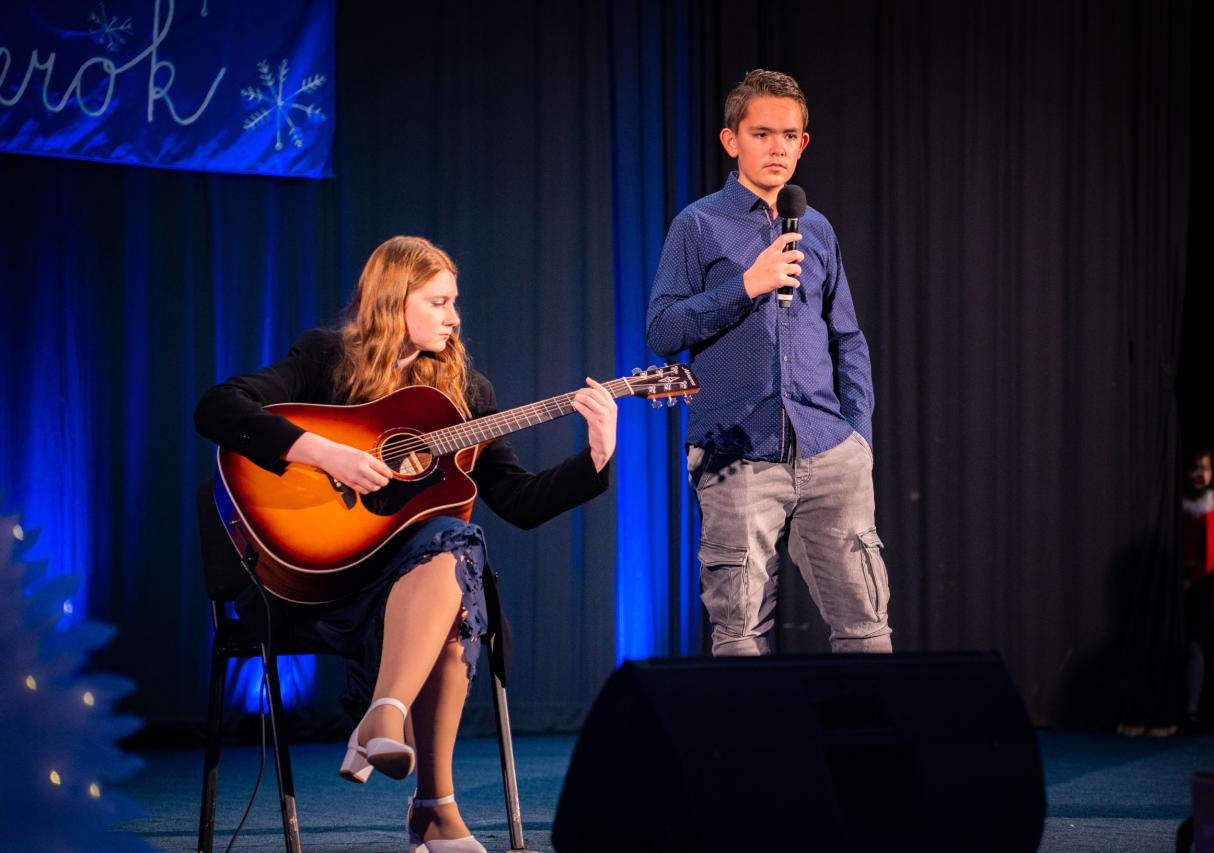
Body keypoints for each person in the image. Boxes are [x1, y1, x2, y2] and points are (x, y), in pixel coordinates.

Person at [195, 235, 616, 853]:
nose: (454, 317)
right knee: (459, 569)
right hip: (319, 581)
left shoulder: (466, 394)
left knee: (457, 552)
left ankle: (388, 721)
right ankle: (432, 808)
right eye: (439, 302)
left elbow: (519, 502)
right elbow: (218, 407)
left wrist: (596, 457)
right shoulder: (326, 359)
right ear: (394, 301)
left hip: (417, 584)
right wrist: (326, 453)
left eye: (454, 302)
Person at [646, 69, 891, 656]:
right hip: (737, 456)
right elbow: (662, 330)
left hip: (829, 451)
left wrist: (858, 437)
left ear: (803, 143)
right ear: (731, 140)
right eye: (761, 134)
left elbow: (847, 338)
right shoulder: (698, 225)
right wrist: (746, 285)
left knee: (865, 627)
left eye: (789, 136)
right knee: (739, 634)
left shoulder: (817, 227)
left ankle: (871, 726)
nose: (777, 147)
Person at [1182, 446, 1214, 728]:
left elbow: (1210, 557)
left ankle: (1192, 709)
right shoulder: (1176, 506)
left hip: (1196, 587)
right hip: (1175, 584)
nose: (1200, 474)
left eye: (1205, 469)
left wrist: (1190, 581)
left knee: (1195, 645)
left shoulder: (1210, 508)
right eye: (1195, 468)